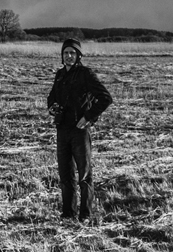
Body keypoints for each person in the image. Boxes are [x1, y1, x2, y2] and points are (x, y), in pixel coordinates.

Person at [47, 37, 112, 222]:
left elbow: (105, 98)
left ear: (78, 55)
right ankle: (68, 214)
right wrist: (52, 107)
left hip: (79, 130)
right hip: (62, 129)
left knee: (84, 175)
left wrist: (88, 117)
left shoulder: (85, 74)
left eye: (72, 53)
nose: (69, 56)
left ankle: (85, 214)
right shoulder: (60, 75)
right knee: (65, 176)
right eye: (66, 53)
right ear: (62, 55)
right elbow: (51, 97)